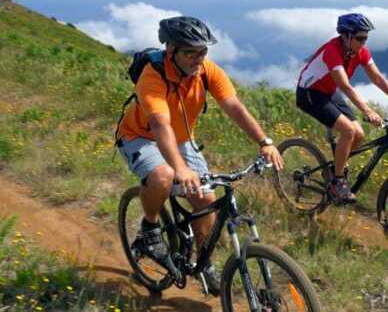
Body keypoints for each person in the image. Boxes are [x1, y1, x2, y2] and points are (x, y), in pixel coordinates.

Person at [116, 16, 283, 296]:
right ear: (170, 51)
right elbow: (159, 125)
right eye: (190, 52)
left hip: (180, 140)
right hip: (139, 137)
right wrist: (180, 168)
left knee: (205, 200)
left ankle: (204, 261)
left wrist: (264, 141)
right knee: (163, 176)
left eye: (203, 51)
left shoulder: (207, 71)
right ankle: (149, 230)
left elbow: (234, 107)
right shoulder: (152, 77)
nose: (198, 58)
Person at [296, 13, 388, 204]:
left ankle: (333, 170)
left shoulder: (360, 52)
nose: (363, 42)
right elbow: (345, 86)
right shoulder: (332, 51)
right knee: (348, 131)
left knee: (359, 134)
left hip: (329, 91)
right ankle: (337, 183)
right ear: (346, 36)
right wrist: (368, 111)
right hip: (309, 93)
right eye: (360, 38)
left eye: (366, 38)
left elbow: (377, 77)